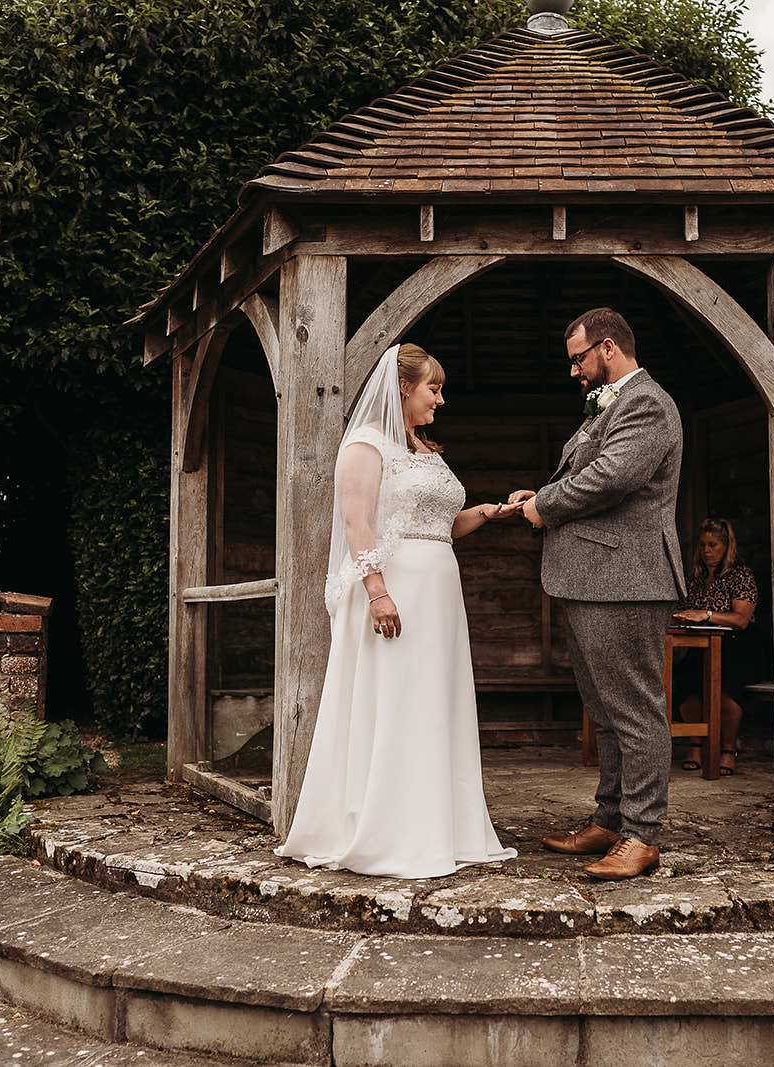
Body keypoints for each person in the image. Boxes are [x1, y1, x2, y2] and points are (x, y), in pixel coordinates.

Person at [276, 343, 519, 879]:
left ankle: (440, 825)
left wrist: (490, 511)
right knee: (397, 703)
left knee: (434, 701)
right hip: (396, 592)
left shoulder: (424, 449)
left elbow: (443, 524)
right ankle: (389, 828)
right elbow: (358, 525)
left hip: (439, 593)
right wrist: (378, 592)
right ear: (404, 387)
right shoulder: (364, 446)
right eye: (434, 388)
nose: (440, 399)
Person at [510, 307, 686, 881]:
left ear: (607, 348)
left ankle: (642, 835)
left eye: (578, 359)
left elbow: (614, 476)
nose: (574, 372)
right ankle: (610, 820)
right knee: (604, 711)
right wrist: (540, 493)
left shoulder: (648, 403)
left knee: (635, 709)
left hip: (626, 579)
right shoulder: (611, 402)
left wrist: (546, 506)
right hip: (592, 578)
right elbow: (591, 472)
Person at [671, 517, 770, 776]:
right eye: (703, 545)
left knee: (725, 687)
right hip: (702, 647)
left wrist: (706, 614)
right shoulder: (695, 578)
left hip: (740, 647)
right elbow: (686, 611)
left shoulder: (740, 575)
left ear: (726, 546)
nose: (707, 551)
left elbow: (741, 620)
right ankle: (697, 743)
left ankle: (728, 749)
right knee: (684, 684)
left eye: (713, 545)